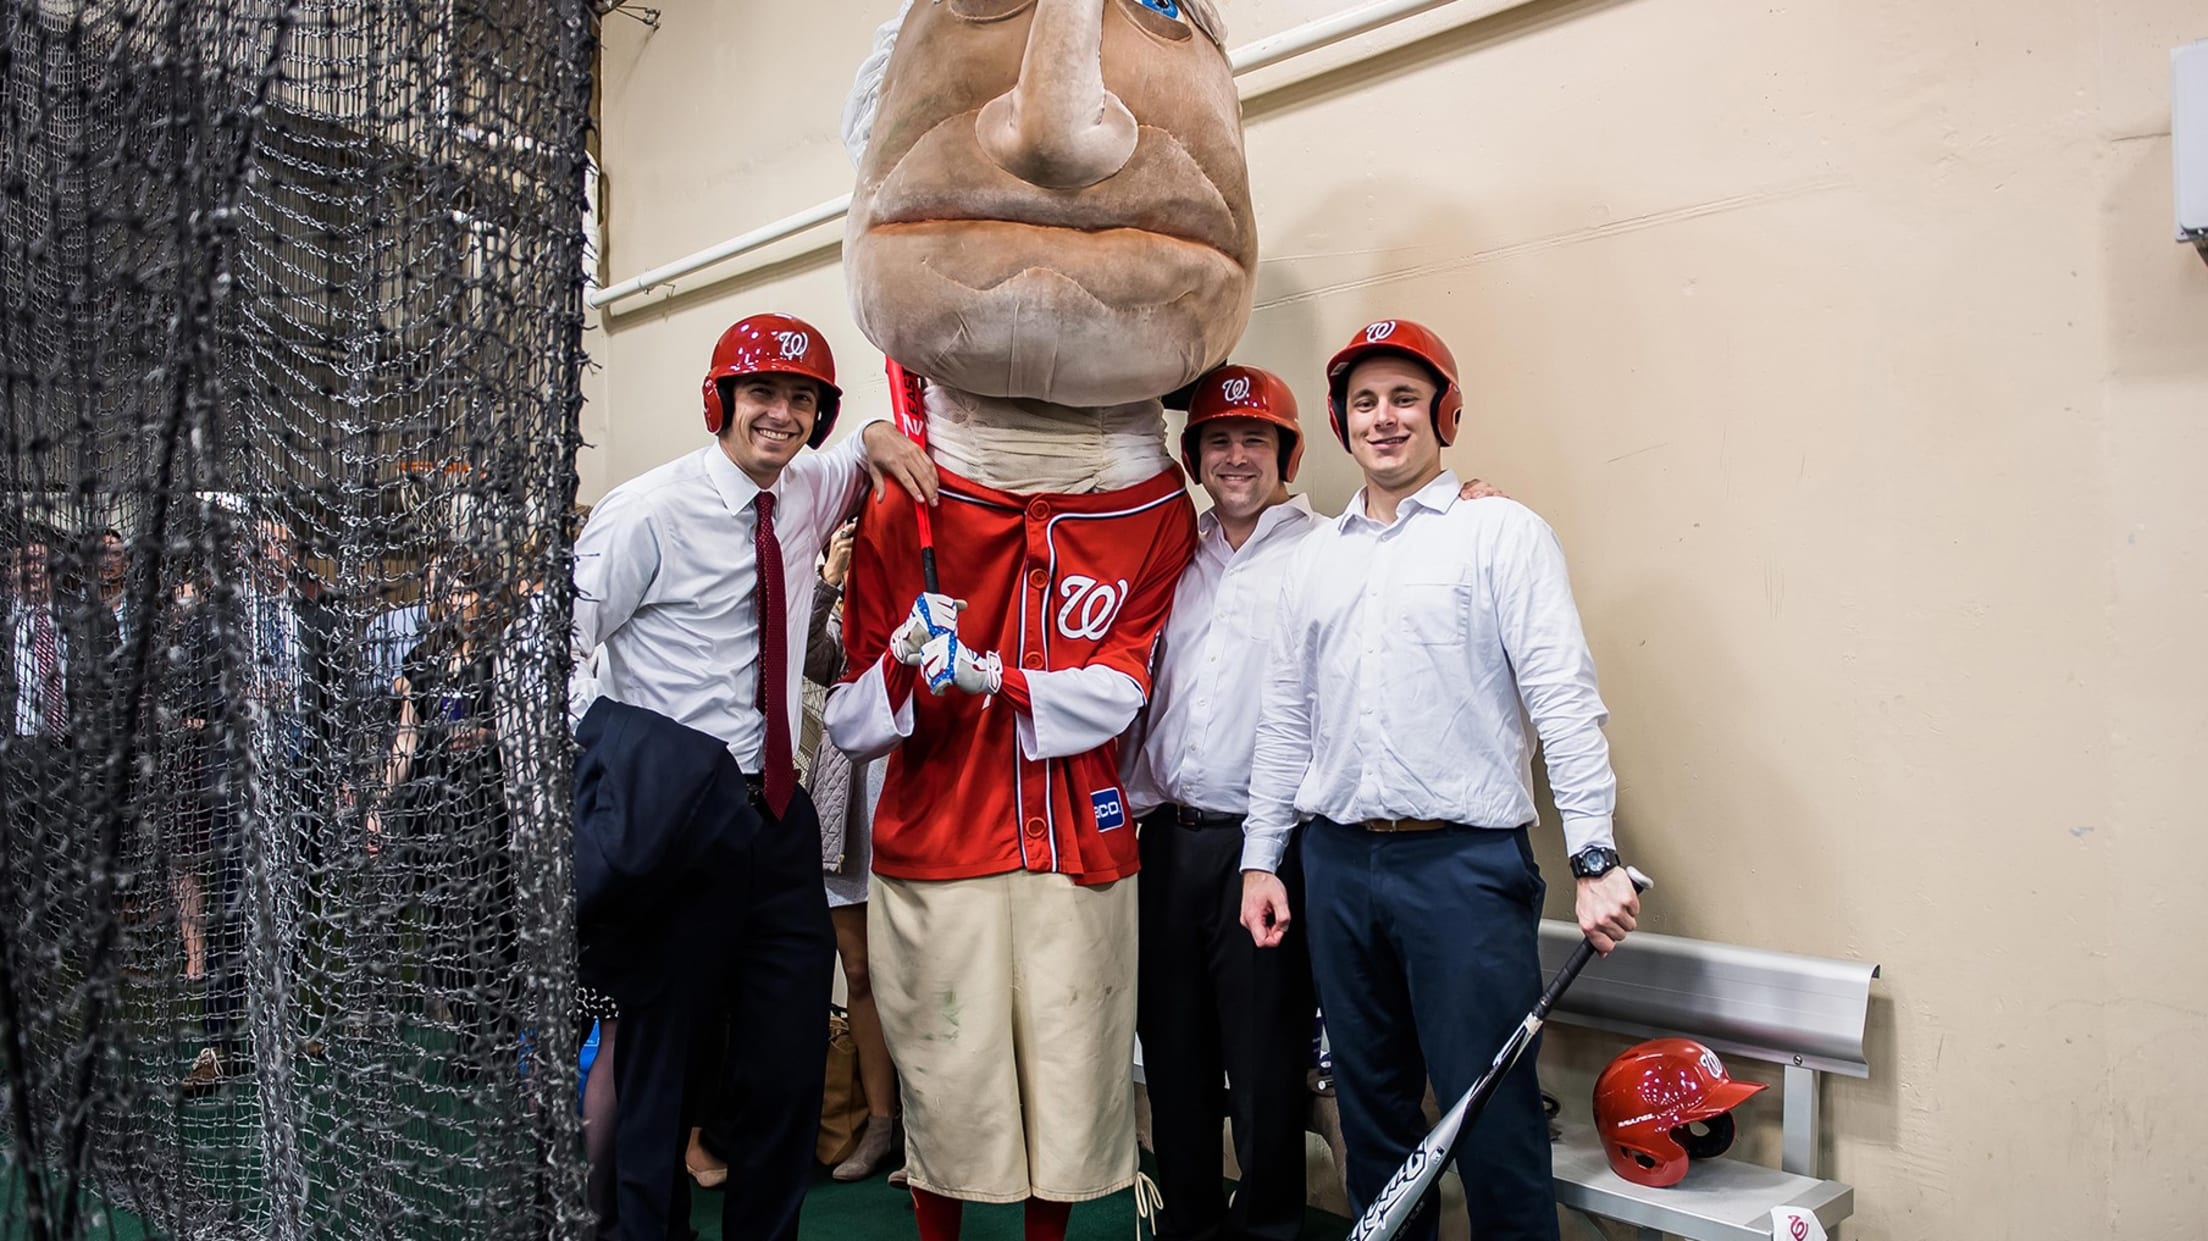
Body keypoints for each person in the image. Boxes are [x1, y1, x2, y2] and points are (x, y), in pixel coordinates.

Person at [1240, 319, 1641, 1241]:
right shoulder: (1316, 559)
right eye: (1365, 402)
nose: (1383, 418)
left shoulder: (1502, 533)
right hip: (1336, 866)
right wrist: (1263, 859)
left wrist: (1594, 855)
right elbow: (1286, 723)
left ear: (1443, 413)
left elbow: (1564, 700)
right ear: (1342, 422)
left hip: (1464, 870)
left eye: (1404, 398)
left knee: (1491, 1116)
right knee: (1372, 1112)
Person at [568, 312, 933, 1241]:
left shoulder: (806, 485)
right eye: (762, 392)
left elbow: (859, 454)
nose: (781, 414)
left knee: (784, 1063)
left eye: (801, 399)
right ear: (720, 400)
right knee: (661, 1069)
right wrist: (627, 762)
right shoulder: (648, 510)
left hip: (774, 816)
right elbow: (551, 656)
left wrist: (877, 432)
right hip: (672, 821)